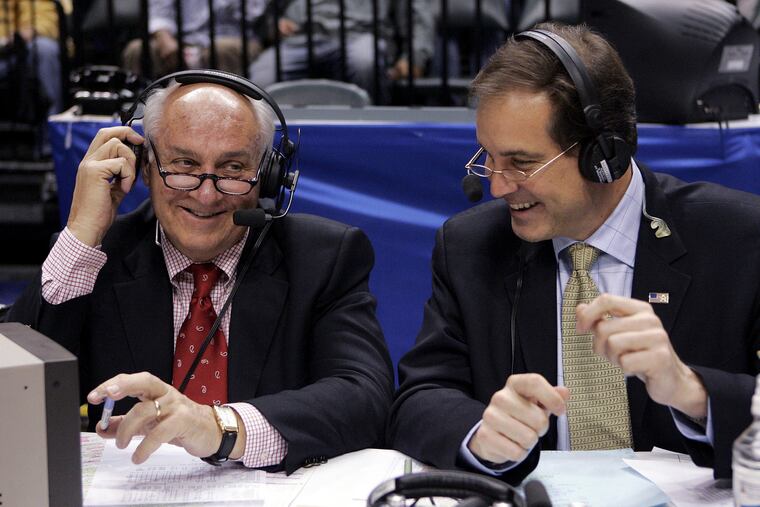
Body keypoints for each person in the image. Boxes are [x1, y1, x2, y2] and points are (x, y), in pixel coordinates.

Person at [388, 22, 760, 483]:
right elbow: (419, 397)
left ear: (603, 154)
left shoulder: (737, 238)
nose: (497, 186)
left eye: (521, 162)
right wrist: (479, 433)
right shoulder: (470, 247)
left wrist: (694, 393)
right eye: (488, 156)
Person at [7, 70, 394, 473]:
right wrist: (82, 233)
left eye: (231, 168)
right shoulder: (95, 257)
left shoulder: (323, 258)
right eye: (184, 164)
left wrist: (220, 427)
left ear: (267, 177)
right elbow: (16, 392)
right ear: (144, 166)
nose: (205, 194)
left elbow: (365, 397)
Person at [249, 0, 434, 101]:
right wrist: (275, 24)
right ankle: (269, 146)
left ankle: (371, 131)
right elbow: (271, 11)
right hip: (303, 36)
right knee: (261, 77)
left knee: (364, 61)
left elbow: (417, 12)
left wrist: (415, 56)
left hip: (362, 34)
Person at [123, 0, 267, 77]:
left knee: (222, 50)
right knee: (138, 49)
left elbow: (254, 13)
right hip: (181, 38)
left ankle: (231, 108)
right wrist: (164, 38)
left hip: (233, 37)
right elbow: (159, 12)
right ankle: (139, 110)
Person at [0, 0, 71, 116]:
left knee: (45, 48)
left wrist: (15, 39)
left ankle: (52, 126)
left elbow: (44, 20)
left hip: (15, 50)